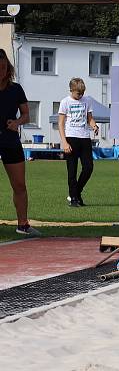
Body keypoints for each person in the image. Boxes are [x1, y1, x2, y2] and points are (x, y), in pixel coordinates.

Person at [0, 49, 40, 237]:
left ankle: (23, 224)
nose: (1, 70)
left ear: (8, 69)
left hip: (10, 140)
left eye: (3, 67)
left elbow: (26, 114)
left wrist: (16, 122)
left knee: (19, 185)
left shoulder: (16, 89)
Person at [58, 78, 99, 207]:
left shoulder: (87, 101)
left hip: (85, 138)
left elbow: (90, 119)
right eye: (77, 93)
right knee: (72, 171)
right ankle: (74, 199)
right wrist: (64, 142)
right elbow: (60, 124)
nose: (80, 96)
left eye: (81, 93)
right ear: (71, 90)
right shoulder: (65, 102)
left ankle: (77, 192)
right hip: (71, 138)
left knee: (88, 167)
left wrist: (94, 126)